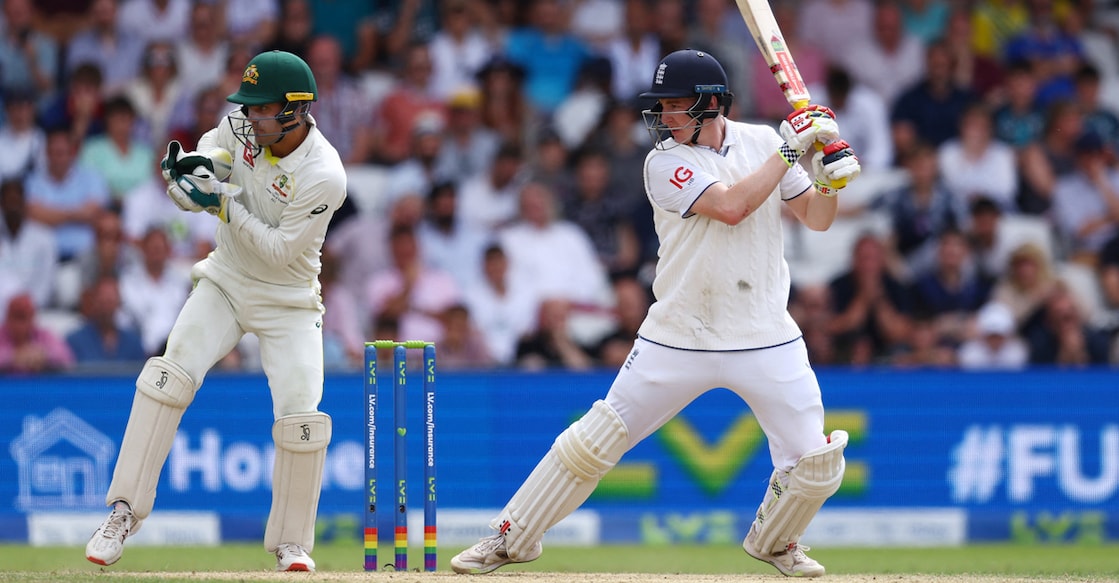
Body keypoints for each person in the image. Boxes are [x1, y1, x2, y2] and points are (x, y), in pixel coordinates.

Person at [450, 48, 861, 578]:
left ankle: (777, 542)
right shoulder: (664, 161)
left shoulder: (761, 142)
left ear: (712, 104)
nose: (664, 117)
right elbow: (732, 207)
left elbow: (819, 219)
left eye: (675, 105)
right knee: (592, 439)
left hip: (764, 333)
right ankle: (510, 538)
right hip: (679, 333)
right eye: (661, 105)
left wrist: (827, 169)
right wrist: (790, 150)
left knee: (816, 462)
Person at [84, 50, 346, 573]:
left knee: (301, 416)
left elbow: (276, 250)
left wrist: (220, 203)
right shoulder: (240, 125)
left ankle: (292, 543)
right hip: (226, 279)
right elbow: (211, 151)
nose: (249, 117)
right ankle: (121, 513)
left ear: (295, 110)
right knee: (167, 374)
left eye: (262, 108)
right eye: (245, 107)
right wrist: (195, 176)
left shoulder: (324, 174)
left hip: (289, 301)